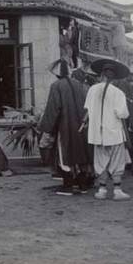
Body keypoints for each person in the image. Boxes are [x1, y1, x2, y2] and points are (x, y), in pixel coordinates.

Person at [39, 59, 92, 195]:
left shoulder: (56, 86)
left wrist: (47, 128)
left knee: (65, 155)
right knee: (80, 153)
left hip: (65, 126)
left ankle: (68, 185)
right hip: (81, 126)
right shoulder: (79, 85)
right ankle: (82, 185)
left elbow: (53, 109)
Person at [83, 59, 131, 201]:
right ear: (114, 77)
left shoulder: (92, 90)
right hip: (114, 132)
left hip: (97, 133)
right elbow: (122, 114)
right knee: (117, 161)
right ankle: (117, 190)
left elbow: (87, 110)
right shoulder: (118, 93)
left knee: (100, 161)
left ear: (101, 74)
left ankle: (102, 190)